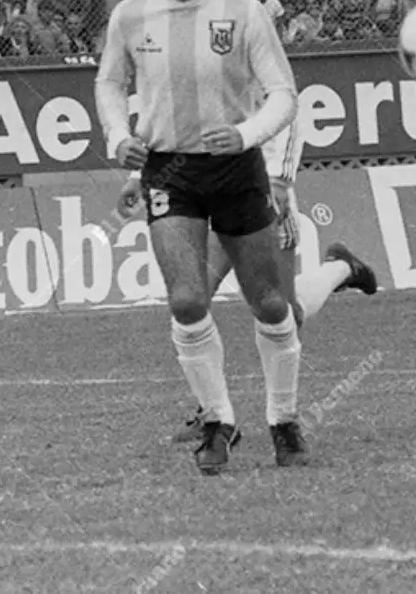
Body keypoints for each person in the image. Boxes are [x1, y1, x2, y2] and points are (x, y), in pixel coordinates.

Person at [94, 0, 305, 475]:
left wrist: (246, 135)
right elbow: (109, 84)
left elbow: (283, 93)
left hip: (236, 168)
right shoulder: (130, 15)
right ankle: (218, 421)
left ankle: (284, 420)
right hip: (170, 169)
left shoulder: (243, 11)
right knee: (186, 299)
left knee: (269, 300)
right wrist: (119, 138)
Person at [124, 99, 380, 444]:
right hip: (197, 196)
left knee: (285, 312)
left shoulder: (252, 53)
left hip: (255, 195)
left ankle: (342, 268)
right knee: (191, 299)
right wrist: (139, 174)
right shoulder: (184, 64)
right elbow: (167, 115)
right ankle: (213, 415)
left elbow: (287, 105)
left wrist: (277, 182)